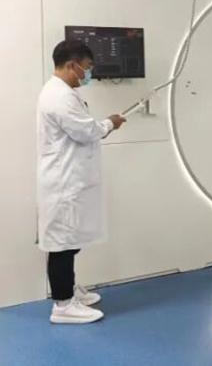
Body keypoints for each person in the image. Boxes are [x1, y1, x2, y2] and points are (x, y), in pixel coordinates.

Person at [37, 40, 126, 324]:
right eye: (86, 68)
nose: (87, 74)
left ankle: (69, 290)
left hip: (68, 180)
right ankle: (63, 306)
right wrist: (110, 123)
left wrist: (104, 124)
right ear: (72, 65)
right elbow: (85, 131)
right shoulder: (59, 96)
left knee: (69, 242)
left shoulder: (63, 93)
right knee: (62, 245)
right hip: (62, 183)